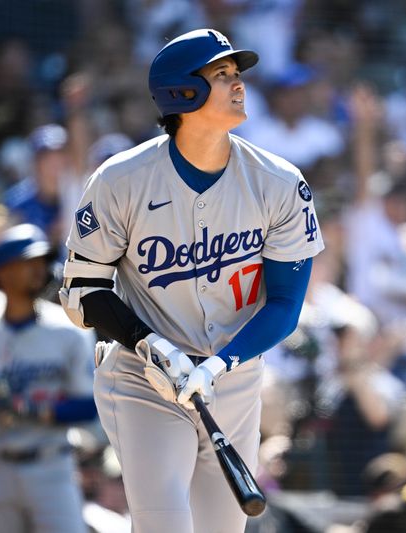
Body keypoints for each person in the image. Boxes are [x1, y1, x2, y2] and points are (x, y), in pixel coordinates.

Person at [59, 28, 324, 533]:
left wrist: (220, 364)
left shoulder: (280, 183)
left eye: (236, 73)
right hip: (144, 378)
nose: (238, 83)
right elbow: (82, 291)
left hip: (235, 376)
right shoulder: (121, 179)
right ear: (183, 93)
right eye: (221, 75)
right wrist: (150, 345)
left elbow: (286, 305)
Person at [0, 223, 97, 533]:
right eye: (28, 262)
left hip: (52, 464)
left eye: (42, 261)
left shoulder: (68, 331)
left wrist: (31, 408)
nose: (39, 269)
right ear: (1, 273)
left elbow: (87, 405)